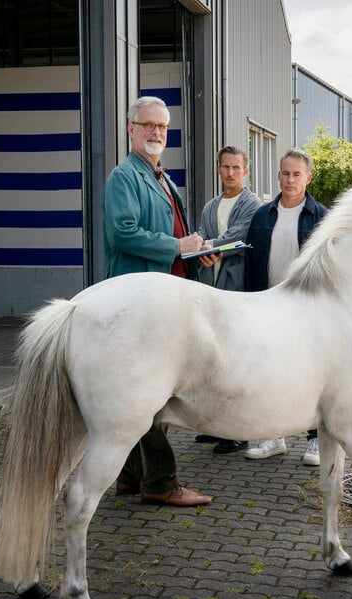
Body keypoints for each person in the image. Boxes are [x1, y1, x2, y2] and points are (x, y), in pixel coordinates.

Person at [102, 95, 212, 507]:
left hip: (165, 294)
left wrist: (197, 251)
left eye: (162, 127)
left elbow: (175, 236)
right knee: (151, 394)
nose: (156, 133)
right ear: (131, 129)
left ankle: (131, 477)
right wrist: (177, 244)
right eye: (148, 125)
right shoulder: (124, 177)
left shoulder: (162, 177)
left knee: (145, 391)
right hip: (138, 302)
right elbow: (123, 233)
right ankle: (161, 482)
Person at [242, 148, 328, 466]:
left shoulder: (322, 218)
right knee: (270, 374)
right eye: (285, 173)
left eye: (297, 174)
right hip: (267, 306)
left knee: (311, 376)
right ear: (278, 176)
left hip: (308, 310)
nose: (290, 179)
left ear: (308, 177)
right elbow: (252, 263)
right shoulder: (262, 215)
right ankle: (273, 435)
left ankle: (316, 439)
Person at [192, 146, 262, 455]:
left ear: (245, 171)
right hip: (210, 287)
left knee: (235, 362)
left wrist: (207, 247)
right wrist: (204, 251)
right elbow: (203, 234)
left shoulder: (253, 205)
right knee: (211, 358)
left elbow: (238, 236)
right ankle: (215, 425)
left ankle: (238, 432)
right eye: (225, 167)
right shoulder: (210, 206)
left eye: (236, 167)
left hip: (234, 289)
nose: (230, 172)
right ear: (218, 169)